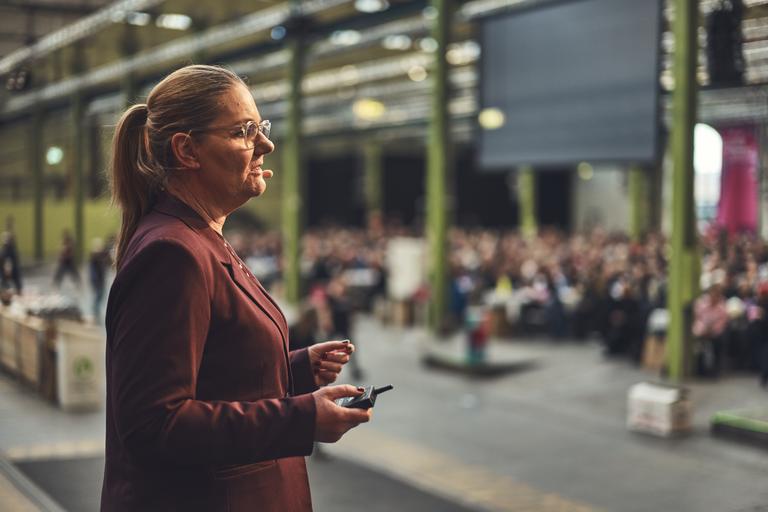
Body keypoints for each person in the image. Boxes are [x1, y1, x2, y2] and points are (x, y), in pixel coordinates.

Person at [102, 65, 371, 511]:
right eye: (244, 132)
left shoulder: (197, 237)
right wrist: (301, 417)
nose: (266, 144)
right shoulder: (173, 253)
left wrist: (294, 369)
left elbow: (214, 372)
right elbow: (154, 423)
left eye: (260, 127)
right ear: (188, 150)